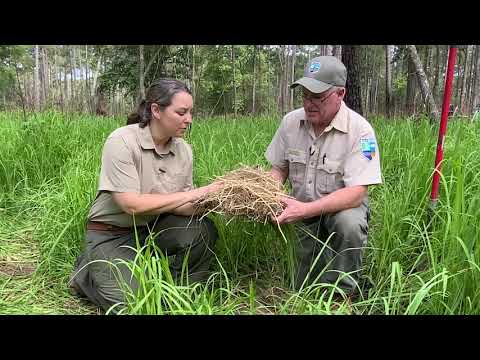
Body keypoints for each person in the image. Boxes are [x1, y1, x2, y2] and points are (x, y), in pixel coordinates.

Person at [69, 78, 220, 313]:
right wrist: (197, 193)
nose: (188, 120)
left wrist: (218, 201)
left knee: (202, 229)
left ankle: (179, 293)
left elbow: (181, 205)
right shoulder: (122, 141)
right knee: (134, 306)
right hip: (112, 233)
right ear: (156, 110)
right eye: (181, 112)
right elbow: (130, 205)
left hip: (152, 228)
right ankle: (87, 273)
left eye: (190, 112)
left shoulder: (184, 150)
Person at [265, 56, 382, 298]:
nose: (309, 104)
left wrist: (305, 210)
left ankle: (343, 295)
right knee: (300, 287)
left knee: (349, 224)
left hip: (338, 208)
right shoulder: (290, 122)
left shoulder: (361, 132)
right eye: (305, 95)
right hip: (300, 208)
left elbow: (357, 193)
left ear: (340, 94)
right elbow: (278, 169)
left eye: (318, 97)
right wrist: (268, 194)